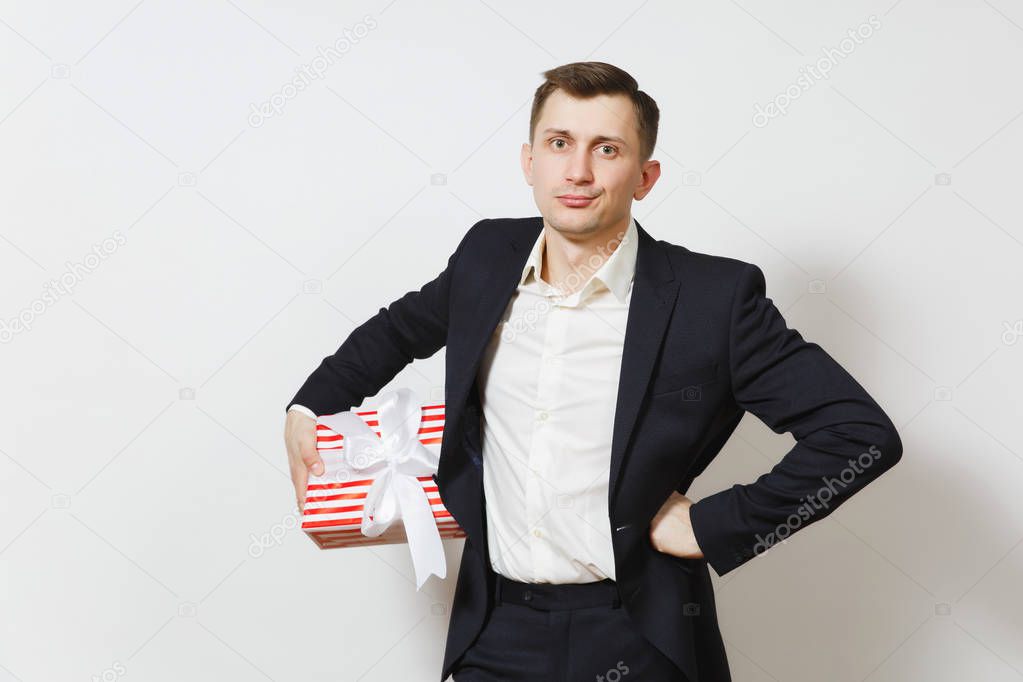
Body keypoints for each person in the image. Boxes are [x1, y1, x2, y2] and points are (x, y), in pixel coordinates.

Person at [283, 61, 902, 682]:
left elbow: (859, 436)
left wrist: (713, 527)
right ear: (529, 161)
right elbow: (399, 329)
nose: (578, 172)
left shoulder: (714, 299)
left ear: (645, 176)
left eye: (606, 149)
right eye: (559, 144)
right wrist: (309, 406)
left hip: (637, 632)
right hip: (494, 629)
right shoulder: (485, 255)